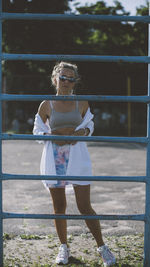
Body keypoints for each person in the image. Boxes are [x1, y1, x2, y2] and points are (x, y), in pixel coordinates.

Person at [33, 61, 116, 266]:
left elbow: (89, 125)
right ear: (55, 79)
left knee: (85, 206)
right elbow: (37, 131)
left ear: (75, 82)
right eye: (63, 77)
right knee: (59, 207)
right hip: (55, 158)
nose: (67, 82)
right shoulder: (46, 104)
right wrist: (53, 136)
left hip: (77, 157)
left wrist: (82, 132)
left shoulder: (82, 102)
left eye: (71, 78)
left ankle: (102, 247)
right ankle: (63, 248)